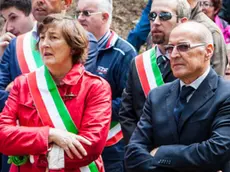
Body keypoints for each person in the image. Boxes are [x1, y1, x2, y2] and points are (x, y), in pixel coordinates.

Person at [0, 14, 111, 172]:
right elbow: (2, 135)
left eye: (53, 37)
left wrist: (33, 156)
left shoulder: (95, 87)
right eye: (42, 38)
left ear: (73, 47)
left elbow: (89, 147)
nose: (44, 44)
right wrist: (49, 135)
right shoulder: (23, 83)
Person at [125, 21, 230, 172]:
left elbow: (216, 151)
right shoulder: (157, 96)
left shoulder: (225, 95)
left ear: (208, 51)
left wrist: (161, 153)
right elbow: (133, 153)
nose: (173, 55)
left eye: (183, 47)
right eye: (169, 48)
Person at [119, 0, 190, 145]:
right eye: (152, 16)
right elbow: (127, 114)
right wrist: (139, 152)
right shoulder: (138, 63)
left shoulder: (193, 65)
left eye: (164, 16)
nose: (156, 22)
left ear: (182, 22)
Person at [76, 0, 137, 171]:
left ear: (104, 17)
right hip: (75, 141)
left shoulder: (125, 53)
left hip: (110, 146)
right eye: (78, 13)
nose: (80, 18)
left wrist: (91, 109)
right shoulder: (72, 48)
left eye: (86, 13)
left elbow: (129, 102)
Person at [188, 0, 228, 76]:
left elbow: (217, 71)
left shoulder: (211, 30)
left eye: (206, 4)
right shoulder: (172, 21)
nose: (203, 7)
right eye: (201, 3)